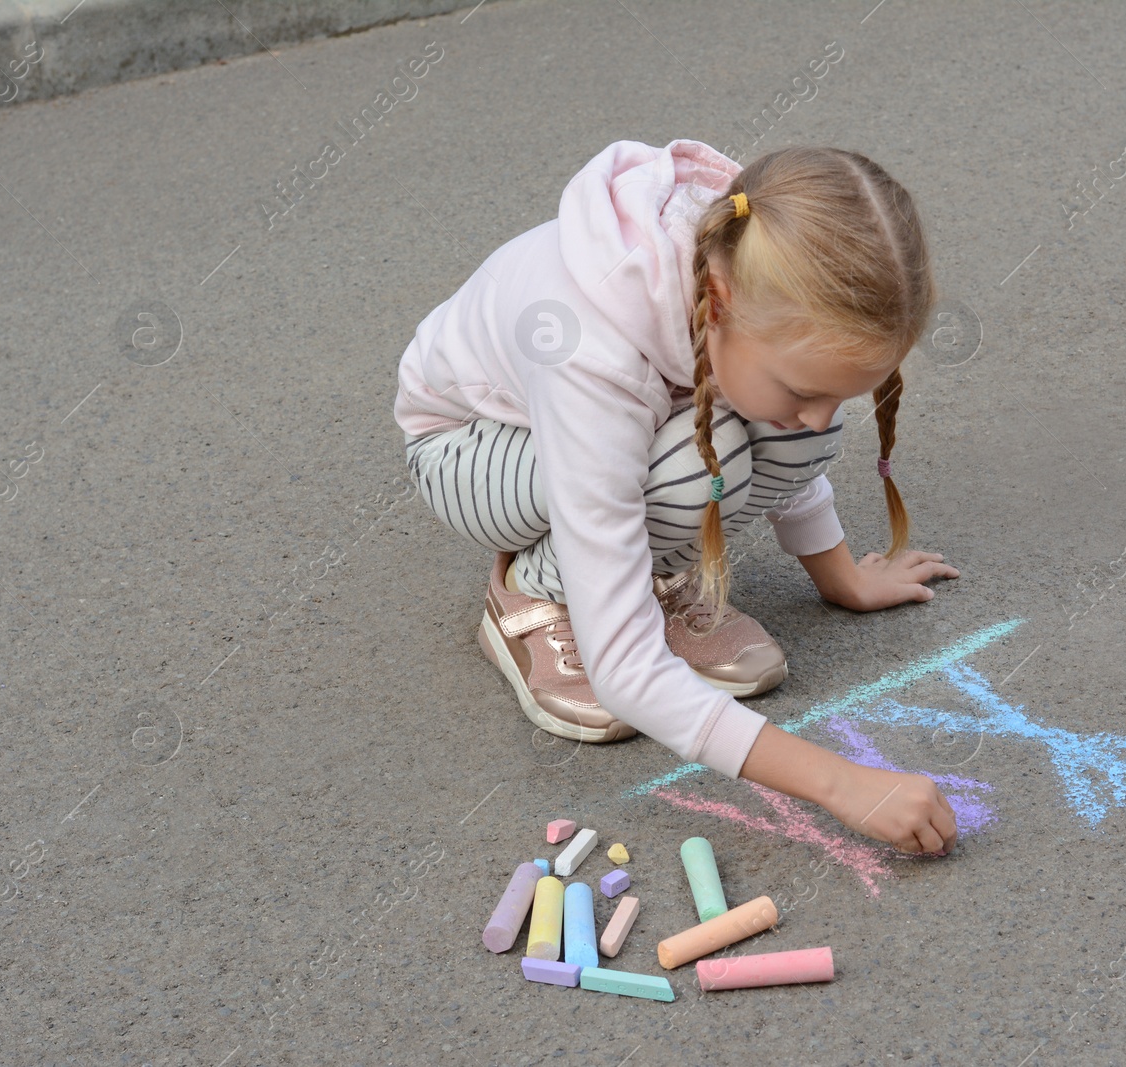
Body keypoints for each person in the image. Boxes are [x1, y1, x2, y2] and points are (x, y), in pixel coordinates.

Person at [395, 139, 961, 854]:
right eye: (804, 388)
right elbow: (626, 673)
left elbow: (794, 424)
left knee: (788, 433)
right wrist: (844, 783)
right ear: (717, 303)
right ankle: (536, 588)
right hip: (473, 450)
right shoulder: (591, 356)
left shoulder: (752, 266)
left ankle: (646, 574)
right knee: (707, 458)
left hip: (600, 427)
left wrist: (841, 574)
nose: (823, 411)